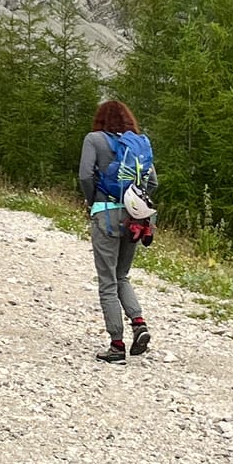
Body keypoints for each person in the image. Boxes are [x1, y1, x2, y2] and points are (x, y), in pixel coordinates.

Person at [78, 97, 154, 362]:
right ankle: (139, 323)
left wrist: (93, 201)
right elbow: (152, 182)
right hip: (136, 219)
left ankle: (117, 345)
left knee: (108, 280)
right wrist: (134, 203)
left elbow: (85, 175)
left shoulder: (94, 139)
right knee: (122, 275)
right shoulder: (138, 144)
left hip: (105, 215)